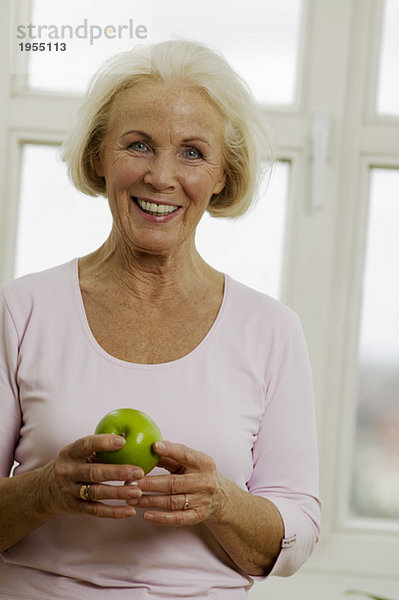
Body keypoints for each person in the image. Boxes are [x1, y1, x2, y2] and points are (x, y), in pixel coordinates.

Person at [0, 40, 321, 599]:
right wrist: (48, 490)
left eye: (193, 152)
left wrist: (221, 502)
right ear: (100, 156)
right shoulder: (21, 310)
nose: (161, 176)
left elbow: (294, 539)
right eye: (139, 145)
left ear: (223, 175)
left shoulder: (271, 330)